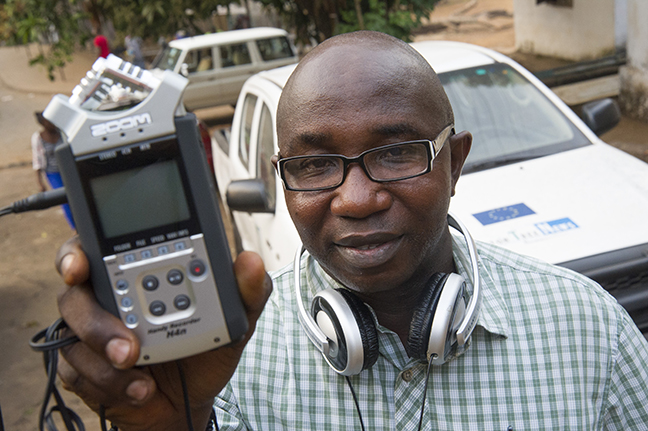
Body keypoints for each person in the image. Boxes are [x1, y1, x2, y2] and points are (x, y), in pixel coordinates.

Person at [54, 31, 648, 430]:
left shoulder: (592, 332)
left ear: (455, 162)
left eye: (396, 153)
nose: (358, 199)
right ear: (283, 182)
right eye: (313, 166)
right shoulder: (225, 362)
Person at [31, 112, 75, 230]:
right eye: (49, 122)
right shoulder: (38, 138)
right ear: (43, 124)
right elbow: (37, 161)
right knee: (65, 200)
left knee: (77, 196)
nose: (53, 124)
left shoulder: (62, 133)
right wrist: (40, 183)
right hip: (53, 174)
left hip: (69, 170)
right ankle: (75, 229)